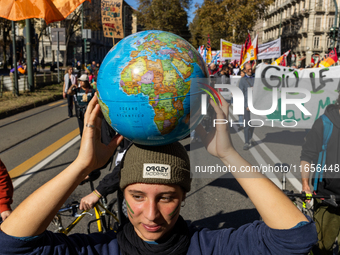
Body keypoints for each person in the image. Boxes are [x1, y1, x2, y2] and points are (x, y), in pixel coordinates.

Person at [0, 94, 317, 255]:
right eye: (137, 196)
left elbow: (296, 237)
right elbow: (12, 244)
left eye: (166, 197)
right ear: (122, 193)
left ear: (182, 197)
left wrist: (228, 153)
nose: (150, 214)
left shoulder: (208, 247)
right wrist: (80, 166)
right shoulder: (98, 248)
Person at [300, 92, 340, 255]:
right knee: (321, 248)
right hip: (327, 198)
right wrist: (305, 185)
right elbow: (307, 155)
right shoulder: (324, 123)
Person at [238, 62, 255, 150]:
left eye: (251, 69)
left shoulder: (256, 78)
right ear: (244, 70)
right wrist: (246, 105)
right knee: (247, 124)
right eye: (248, 69)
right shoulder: (242, 80)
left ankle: (250, 137)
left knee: (254, 124)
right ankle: (246, 142)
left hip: (256, 105)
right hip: (247, 106)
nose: (250, 70)